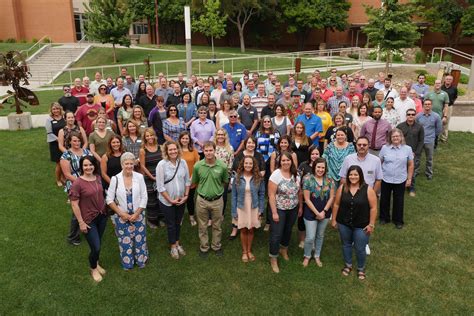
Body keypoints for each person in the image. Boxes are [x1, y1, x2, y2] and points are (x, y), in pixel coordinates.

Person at [331, 165, 377, 280]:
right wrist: (334, 219)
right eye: (351, 174)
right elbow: (336, 204)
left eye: (356, 174)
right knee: (346, 244)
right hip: (344, 223)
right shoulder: (342, 188)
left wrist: (371, 224)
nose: (353, 176)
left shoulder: (368, 189)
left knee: (360, 247)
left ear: (360, 176)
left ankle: (361, 268)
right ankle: (348, 265)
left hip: (361, 225)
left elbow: (373, 208)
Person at [106, 152, 149, 270]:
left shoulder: (139, 177)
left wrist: (137, 213)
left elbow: (144, 197)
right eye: (126, 163)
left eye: (131, 163)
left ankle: (141, 260)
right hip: (122, 216)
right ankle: (127, 263)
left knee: (140, 239)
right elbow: (109, 199)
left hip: (138, 214)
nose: (129, 166)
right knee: (124, 240)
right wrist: (121, 214)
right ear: (122, 165)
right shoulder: (115, 179)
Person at [69, 156, 108, 282]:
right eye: (85, 165)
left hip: (102, 216)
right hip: (88, 219)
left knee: (98, 242)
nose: (88, 167)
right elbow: (74, 204)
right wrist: (81, 222)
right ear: (81, 167)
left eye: (90, 165)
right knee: (96, 247)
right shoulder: (77, 183)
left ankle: (96, 263)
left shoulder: (98, 178)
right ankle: (93, 269)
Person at [192, 142, 229, 258]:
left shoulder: (222, 166)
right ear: (203, 151)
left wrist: (215, 191)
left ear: (215, 151)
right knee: (202, 226)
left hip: (217, 200)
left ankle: (216, 246)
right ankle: (204, 247)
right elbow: (195, 182)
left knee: (217, 225)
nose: (208, 153)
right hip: (202, 200)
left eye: (210, 150)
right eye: (206, 150)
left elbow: (224, 181)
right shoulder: (198, 166)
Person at [268, 151, 303, 273]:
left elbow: (299, 192)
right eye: (283, 160)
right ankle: (273, 258)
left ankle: (284, 250)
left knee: (288, 231)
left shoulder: (296, 175)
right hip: (279, 209)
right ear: (280, 162)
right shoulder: (275, 175)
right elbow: (271, 195)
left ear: (291, 161)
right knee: (276, 234)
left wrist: (300, 207)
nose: (286, 162)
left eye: (288, 160)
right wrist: (274, 212)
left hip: (293, 208)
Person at [156, 141, 191, 259]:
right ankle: (173, 247)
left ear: (178, 150)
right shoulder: (161, 165)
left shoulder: (183, 163)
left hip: (181, 199)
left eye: (175, 149)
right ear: (166, 151)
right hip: (167, 201)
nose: (173, 151)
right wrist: (170, 200)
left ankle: (177, 243)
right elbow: (160, 186)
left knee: (178, 222)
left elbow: (187, 181)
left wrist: (186, 196)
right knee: (171, 224)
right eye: (170, 150)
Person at [60, 132, 93, 246]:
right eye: (74, 141)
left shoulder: (86, 152)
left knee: (88, 207)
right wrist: (82, 182)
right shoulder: (66, 155)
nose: (77, 143)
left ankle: (88, 228)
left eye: (79, 140)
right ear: (69, 142)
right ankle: (72, 236)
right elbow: (67, 174)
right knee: (77, 210)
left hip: (88, 182)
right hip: (75, 184)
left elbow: (93, 167)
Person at [302, 158, 335, 267]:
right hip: (311, 212)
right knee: (310, 237)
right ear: (314, 167)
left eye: (323, 167)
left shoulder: (329, 180)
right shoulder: (307, 179)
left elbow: (331, 197)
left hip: (325, 212)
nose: (320, 169)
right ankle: (307, 255)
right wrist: (317, 212)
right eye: (318, 167)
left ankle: (317, 255)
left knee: (320, 235)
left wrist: (324, 211)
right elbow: (306, 199)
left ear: (325, 169)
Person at [231, 156, 265, 263]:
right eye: (246, 163)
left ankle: (249, 250)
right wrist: (233, 211)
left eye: (250, 163)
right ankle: (244, 252)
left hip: (254, 205)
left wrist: (261, 209)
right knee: (243, 229)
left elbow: (262, 194)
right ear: (243, 164)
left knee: (251, 229)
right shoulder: (237, 177)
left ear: (254, 165)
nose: (248, 165)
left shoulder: (258, 177)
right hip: (241, 206)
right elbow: (234, 196)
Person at [379, 128, 414, 229]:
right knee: (384, 199)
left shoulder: (407, 149)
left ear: (401, 137)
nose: (395, 138)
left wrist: (409, 179)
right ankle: (384, 218)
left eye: (397, 136)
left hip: (400, 179)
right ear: (390, 138)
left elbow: (411, 165)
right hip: (386, 178)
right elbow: (379, 162)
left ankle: (398, 220)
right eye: (393, 136)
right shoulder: (385, 148)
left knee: (399, 200)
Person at [397, 109, 425, 197]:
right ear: (406, 115)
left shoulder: (419, 127)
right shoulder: (400, 126)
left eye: (413, 114)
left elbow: (421, 141)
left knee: (411, 171)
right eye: (409, 114)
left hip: (414, 153)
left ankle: (411, 188)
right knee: (400, 170)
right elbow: (396, 140)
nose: (411, 116)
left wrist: (416, 152)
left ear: (415, 116)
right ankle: (399, 186)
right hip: (401, 153)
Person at [139, 128, 163, 228]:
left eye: (151, 135)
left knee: (161, 199)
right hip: (149, 178)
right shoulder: (142, 150)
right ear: (144, 138)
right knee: (151, 200)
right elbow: (142, 166)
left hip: (161, 177)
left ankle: (161, 218)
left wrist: (160, 177)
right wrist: (152, 177)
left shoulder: (160, 147)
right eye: (147, 136)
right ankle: (152, 220)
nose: (150, 137)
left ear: (154, 136)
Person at [416, 99, 442, 180]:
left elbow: (438, 129)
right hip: (419, 141)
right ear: (423, 105)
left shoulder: (436, 116)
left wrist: (433, 137)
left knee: (429, 158)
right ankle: (416, 172)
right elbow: (416, 127)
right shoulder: (418, 116)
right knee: (417, 157)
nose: (427, 106)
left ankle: (429, 173)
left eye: (429, 104)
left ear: (431, 105)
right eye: (426, 104)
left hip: (430, 140)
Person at [179, 131, 201, 226]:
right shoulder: (177, 151)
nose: (184, 140)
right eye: (183, 138)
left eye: (186, 138)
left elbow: (197, 164)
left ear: (189, 140)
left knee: (190, 199)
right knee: (180, 199)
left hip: (192, 179)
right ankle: (180, 216)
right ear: (180, 139)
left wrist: (192, 177)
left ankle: (191, 216)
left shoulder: (194, 151)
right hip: (179, 180)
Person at [45, 102, 66, 186]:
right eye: (54, 109)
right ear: (51, 110)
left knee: (65, 161)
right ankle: (58, 180)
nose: (56, 110)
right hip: (55, 144)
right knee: (59, 163)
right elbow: (49, 133)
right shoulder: (49, 119)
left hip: (65, 143)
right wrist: (60, 140)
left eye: (57, 109)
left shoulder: (64, 117)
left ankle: (63, 177)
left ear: (60, 109)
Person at [440, 75, 458, 142]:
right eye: (447, 79)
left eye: (450, 79)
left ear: (452, 81)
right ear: (445, 80)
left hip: (449, 107)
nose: (448, 80)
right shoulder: (441, 87)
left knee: (446, 122)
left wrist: (452, 102)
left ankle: (444, 138)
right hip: (441, 106)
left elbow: (455, 96)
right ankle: (437, 136)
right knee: (439, 121)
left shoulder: (454, 88)